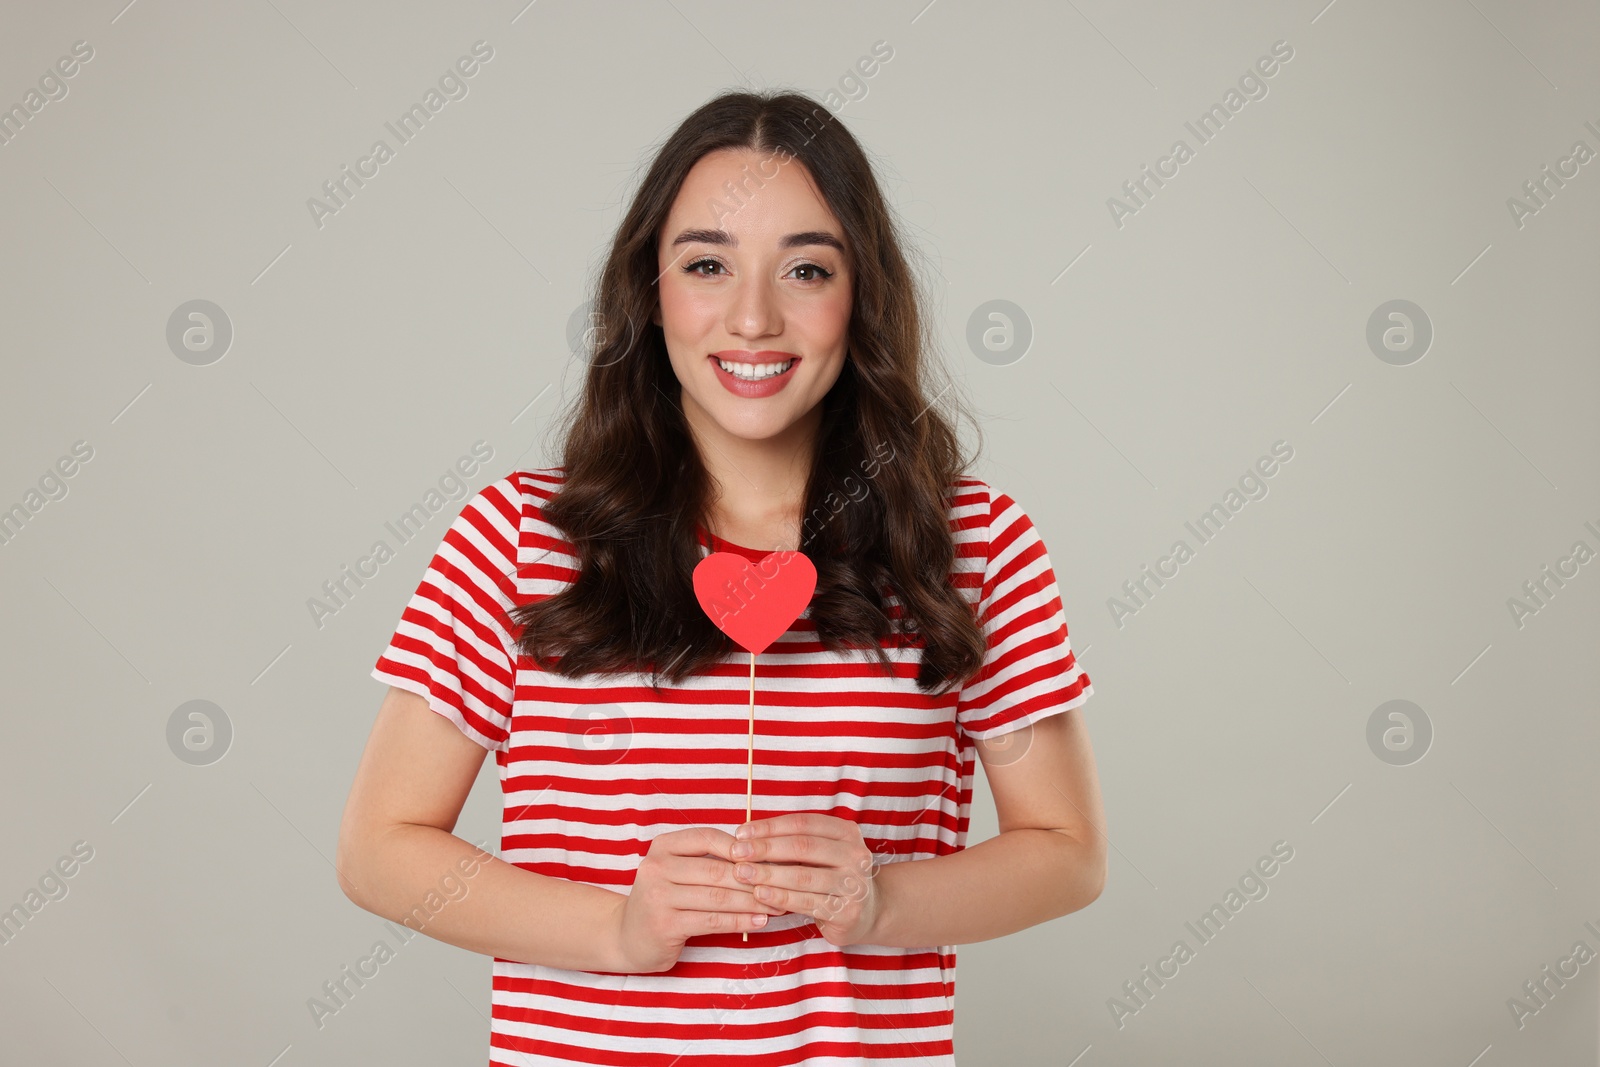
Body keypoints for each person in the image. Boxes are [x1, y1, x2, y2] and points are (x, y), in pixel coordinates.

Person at [336, 88, 1105, 1066]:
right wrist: (619, 929)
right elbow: (379, 847)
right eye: (707, 264)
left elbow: (1068, 849)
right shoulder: (516, 536)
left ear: (861, 292)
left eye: (806, 269)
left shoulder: (972, 544)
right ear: (649, 291)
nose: (752, 317)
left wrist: (878, 902)